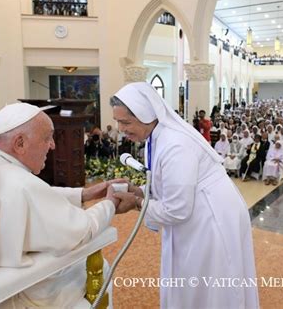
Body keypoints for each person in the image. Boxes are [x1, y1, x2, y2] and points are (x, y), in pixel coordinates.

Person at [109, 82, 259, 308]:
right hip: (198, 214)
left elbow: (177, 209)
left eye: (125, 122)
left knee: (210, 287)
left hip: (210, 220)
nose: (121, 128)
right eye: (118, 121)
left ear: (146, 116)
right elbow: (168, 185)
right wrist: (139, 191)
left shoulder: (175, 145)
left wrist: (136, 202)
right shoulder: (157, 136)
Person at [0, 103, 127, 308]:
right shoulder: (20, 183)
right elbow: (82, 230)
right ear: (20, 143)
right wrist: (110, 203)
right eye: (47, 137)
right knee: (101, 267)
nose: (53, 145)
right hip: (15, 294)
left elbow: (38, 197)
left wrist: (85, 193)